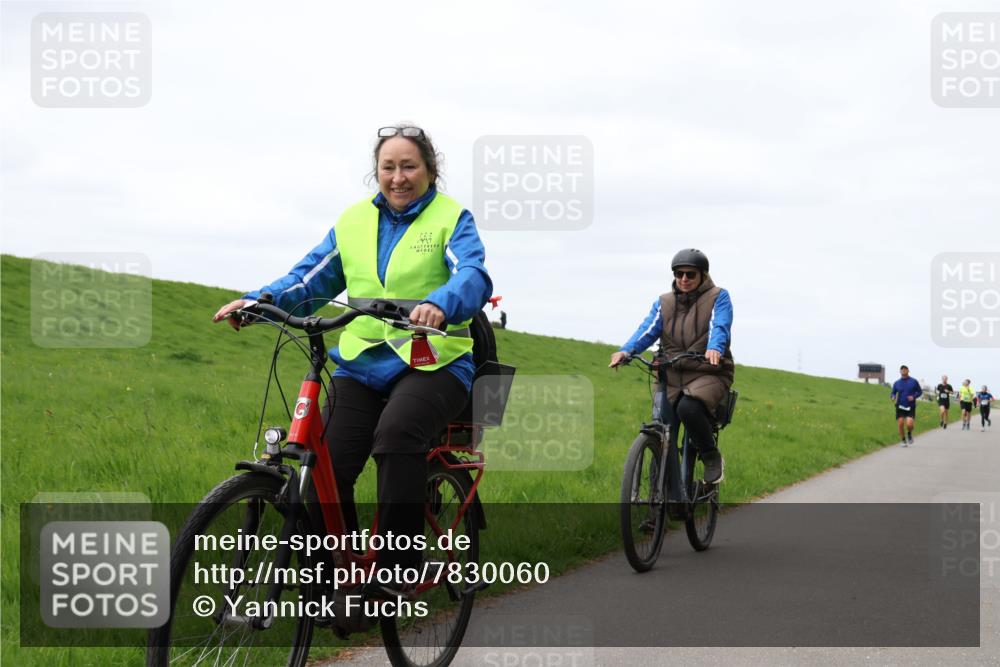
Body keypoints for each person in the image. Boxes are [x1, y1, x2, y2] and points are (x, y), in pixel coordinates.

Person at [212, 124, 491, 592]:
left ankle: (401, 563)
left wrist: (442, 303)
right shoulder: (353, 221)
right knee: (324, 461)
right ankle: (333, 582)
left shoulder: (450, 217)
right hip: (362, 361)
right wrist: (258, 300)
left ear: (429, 170)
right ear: (376, 172)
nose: (398, 177)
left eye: (409, 166)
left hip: (433, 360)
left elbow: (473, 274)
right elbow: (310, 279)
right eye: (388, 167)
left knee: (397, 433)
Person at [609, 248, 734, 484]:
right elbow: (647, 330)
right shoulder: (664, 302)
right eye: (679, 274)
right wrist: (626, 350)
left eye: (690, 274)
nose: (684, 279)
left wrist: (715, 347)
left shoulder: (719, 296)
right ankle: (659, 510)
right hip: (671, 371)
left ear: (703, 276)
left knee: (688, 408)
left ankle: (710, 456)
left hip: (707, 370)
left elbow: (721, 325)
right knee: (662, 431)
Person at [890, 365, 922, 446]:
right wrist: (893, 397)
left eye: (905, 369)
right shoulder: (897, 383)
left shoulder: (914, 381)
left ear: (908, 371)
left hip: (910, 406)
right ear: (900, 372)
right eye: (902, 370)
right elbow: (893, 393)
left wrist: (913, 397)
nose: (903, 371)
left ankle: (909, 433)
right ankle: (903, 441)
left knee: (909, 424)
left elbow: (920, 392)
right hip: (900, 406)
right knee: (900, 423)